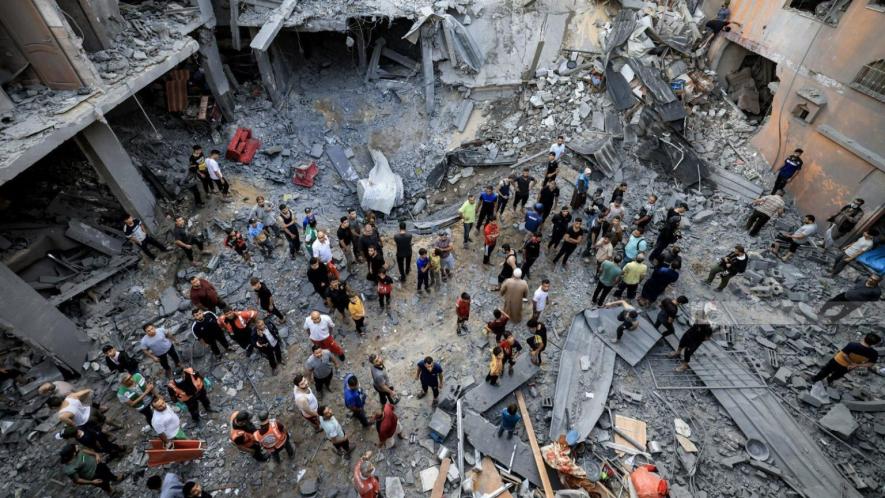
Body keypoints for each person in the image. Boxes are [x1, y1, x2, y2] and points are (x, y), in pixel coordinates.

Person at [810, 334, 881, 398]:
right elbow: (871, 364)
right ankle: (829, 380)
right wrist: (856, 365)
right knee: (838, 374)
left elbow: (844, 355)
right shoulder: (874, 353)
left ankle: (815, 379)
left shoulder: (852, 345)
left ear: (864, 337)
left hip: (837, 361)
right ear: (875, 343)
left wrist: (851, 363)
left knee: (826, 370)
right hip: (847, 367)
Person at [60, 423, 126, 459]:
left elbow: (94, 443)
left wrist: (99, 448)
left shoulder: (83, 438)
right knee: (108, 445)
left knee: (108, 448)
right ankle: (120, 448)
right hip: (99, 436)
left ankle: (118, 453)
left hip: (98, 443)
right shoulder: (80, 428)